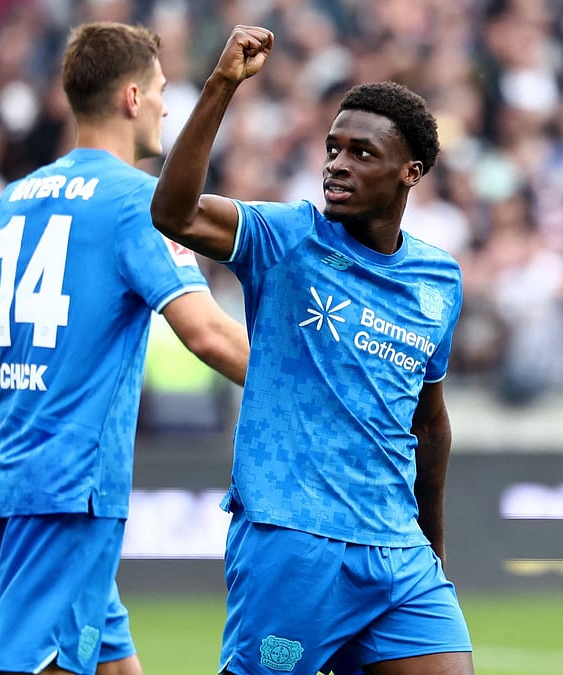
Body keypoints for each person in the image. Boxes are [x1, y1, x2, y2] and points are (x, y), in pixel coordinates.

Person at [0, 22, 249, 675]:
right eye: (164, 90)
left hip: (12, 484)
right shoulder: (139, 205)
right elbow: (205, 332)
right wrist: (316, 387)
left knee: (115, 665)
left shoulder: (16, 199)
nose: (169, 107)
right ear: (132, 98)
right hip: (70, 491)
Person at [151, 25, 474, 675]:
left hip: (397, 553)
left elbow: (429, 421)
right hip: (294, 545)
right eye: (333, 149)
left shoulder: (439, 280)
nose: (337, 164)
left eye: (362, 153)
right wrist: (221, 86)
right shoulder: (285, 238)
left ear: (410, 171)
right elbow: (175, 213)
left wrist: (432, 539)